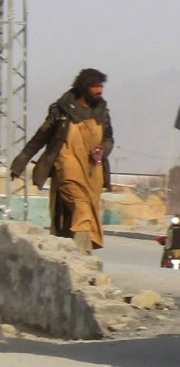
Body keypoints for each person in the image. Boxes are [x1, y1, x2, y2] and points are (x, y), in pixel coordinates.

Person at [10, 68, 114, 254]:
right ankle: (84, 255)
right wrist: (21, 161)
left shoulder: (102, 112)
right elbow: (40, 137)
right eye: (95, 86)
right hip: (66, 162)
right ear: (84, 88)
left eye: (101, 86)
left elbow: (109, 139)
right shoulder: (62, 110)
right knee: (81, 207)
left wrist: (102, 149)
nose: (100, 90)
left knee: (85, 211)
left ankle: (70, 251)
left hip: (93, 169)